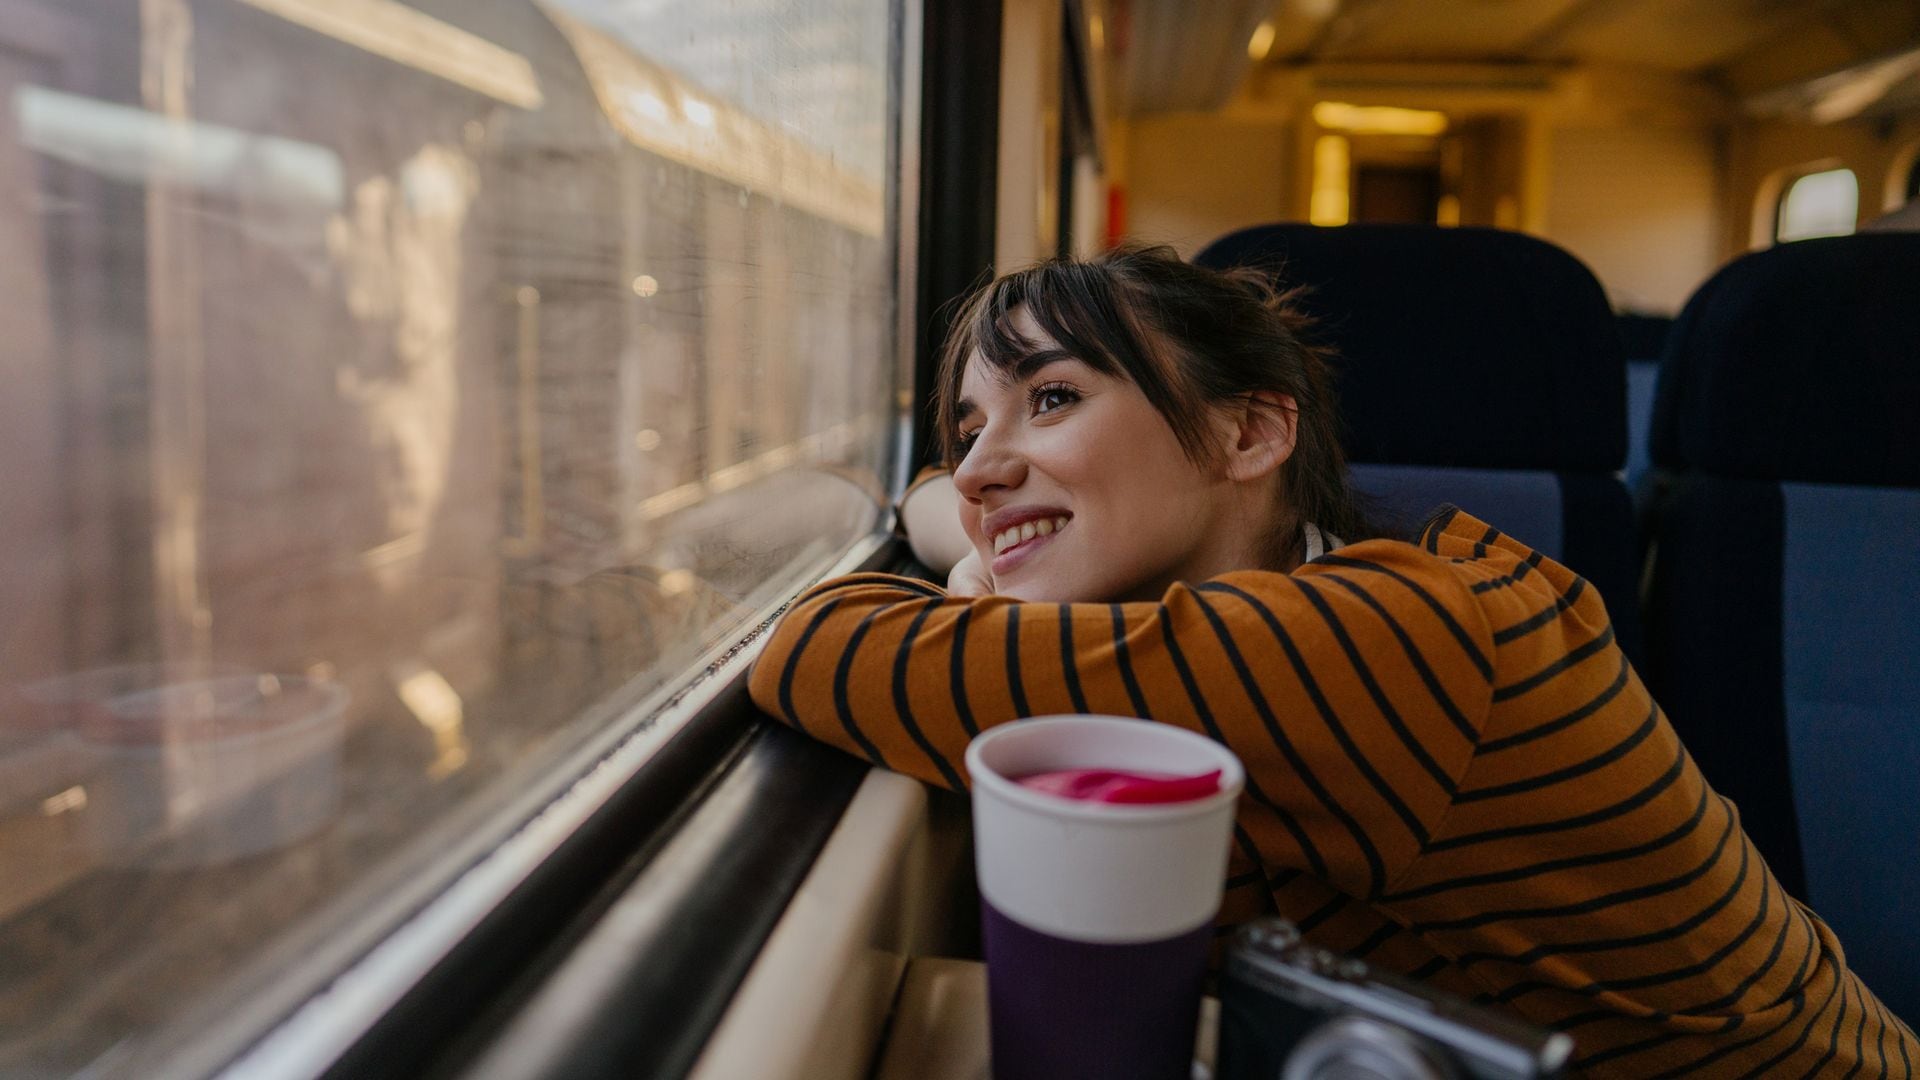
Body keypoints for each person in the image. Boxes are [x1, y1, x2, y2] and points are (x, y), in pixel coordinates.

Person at [746, 245, 1916, 1077]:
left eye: (1052, 398)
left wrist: (977, 568)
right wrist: (980, 536)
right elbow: (944, 501)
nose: (988, 464)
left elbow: (812, 646)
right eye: (969, 428)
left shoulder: (1390, 642)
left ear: (1249, 432)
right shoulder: (1244, 620)